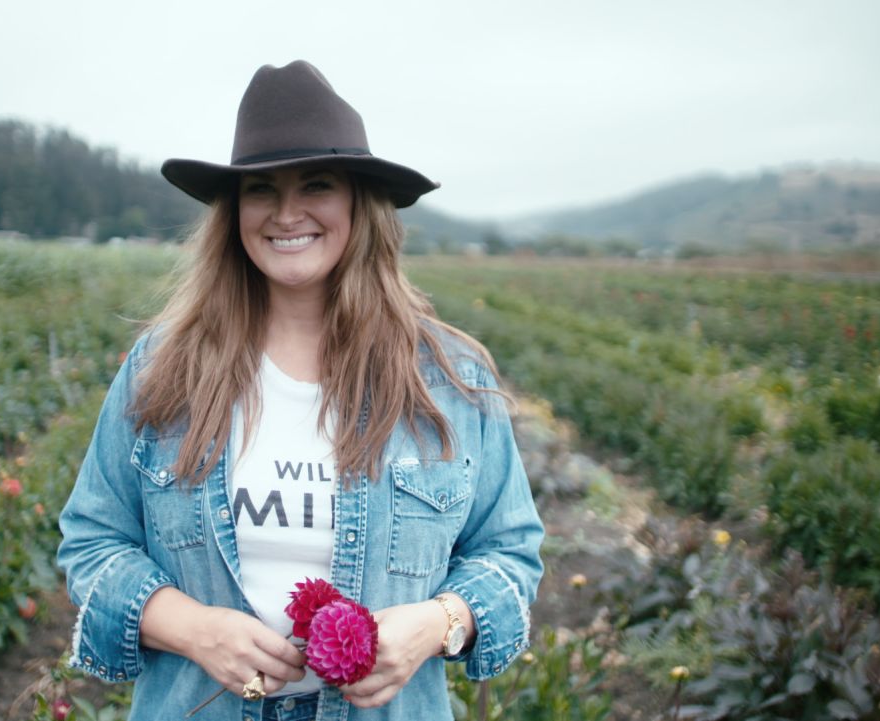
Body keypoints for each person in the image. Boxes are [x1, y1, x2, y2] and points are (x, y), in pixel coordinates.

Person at [57, 60, 543, 721]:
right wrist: (193, 628)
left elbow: (509, 555)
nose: (287, 213)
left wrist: (434, 624)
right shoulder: (162, 370)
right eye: (261, 189)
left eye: (316, 184)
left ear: (357, 204)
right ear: (234, 213)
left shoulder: (447, 380)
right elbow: (92, 540)